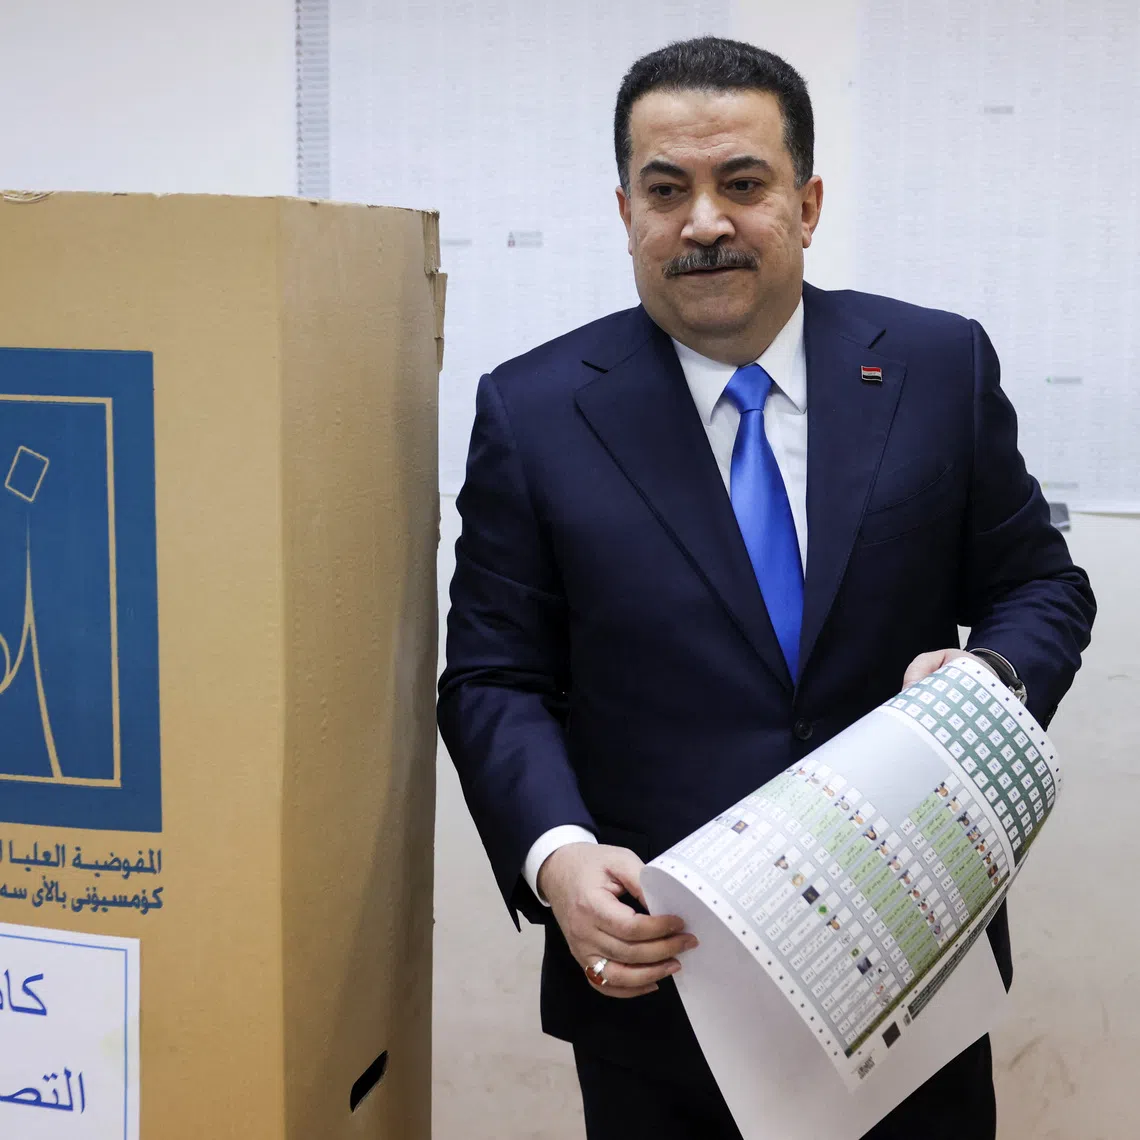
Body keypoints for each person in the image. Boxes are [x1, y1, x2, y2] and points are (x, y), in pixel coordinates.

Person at [438, 35, 1095, 1140]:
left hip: (913, 964)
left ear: (807, 200)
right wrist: (555, 858)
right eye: (667, 190)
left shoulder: (935, 367)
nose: (704, 222)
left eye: (742, 183)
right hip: (662, 981)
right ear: (626, 210)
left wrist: (988, 679)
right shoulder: (534, 411)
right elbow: (495, 677)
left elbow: (1042, 585)